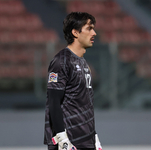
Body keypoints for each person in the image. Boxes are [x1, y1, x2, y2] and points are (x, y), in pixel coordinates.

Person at [44, 12, 102, 150]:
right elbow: (53, 102)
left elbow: (84, 104)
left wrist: (94, 137)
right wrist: (62, 139)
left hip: (85, 140)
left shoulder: (83, 63)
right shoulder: (61, 61)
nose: (94, 33)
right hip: (69, 142)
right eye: (89, 28)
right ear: (75, 33)